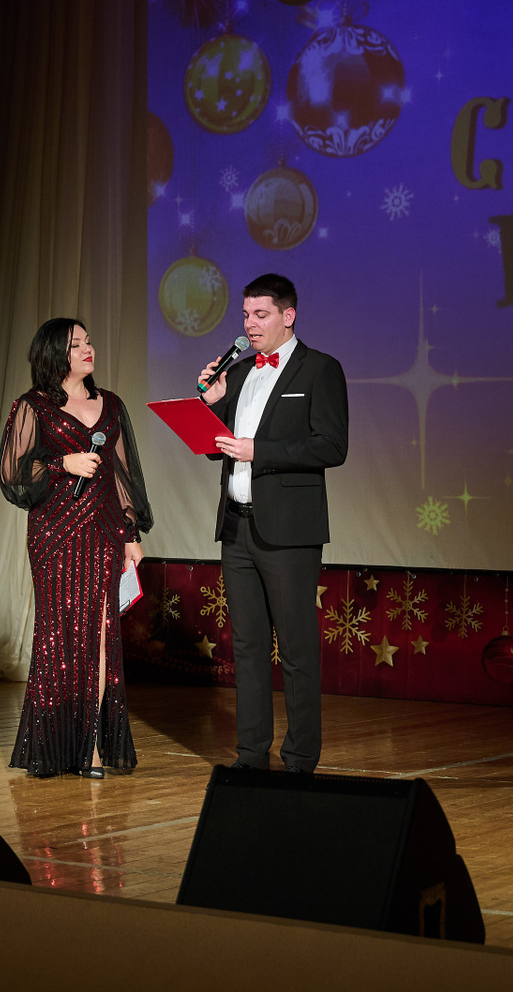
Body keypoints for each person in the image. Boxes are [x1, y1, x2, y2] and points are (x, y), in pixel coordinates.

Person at [198, 274, 347, 773]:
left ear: (289, 315)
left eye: (260, 314)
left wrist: (259, 450)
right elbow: (216, 447)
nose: (250, 324)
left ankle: (300, 759)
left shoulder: (320, 369)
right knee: (247, 647)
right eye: (245, 315)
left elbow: (332, 446)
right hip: (237, 527)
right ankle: (250, 756)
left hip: (288, 532)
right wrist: (212, 405)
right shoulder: (239, 372)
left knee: (297, 648)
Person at [0, 318, 153, 779]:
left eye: (88, 342)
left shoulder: (112, 404)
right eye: (76, 345)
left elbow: (122, 476)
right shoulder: (33, 406)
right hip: (55, 532)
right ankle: (54, 745)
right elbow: (12, 474)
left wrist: (131, 534)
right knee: (58, 636)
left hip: (103, 530)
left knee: (101, 635)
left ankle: (92, 748)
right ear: (53, 354)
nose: (88, 349)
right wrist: (61, 463)